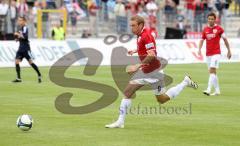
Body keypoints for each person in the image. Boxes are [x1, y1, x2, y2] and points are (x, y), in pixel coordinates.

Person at [105, 15, 198, 128]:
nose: (132, 28)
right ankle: (120, 122)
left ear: (141, 25)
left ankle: (185, 82)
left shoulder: (146, 35)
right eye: (131, 26)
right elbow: (146, 49)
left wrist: (137, 66)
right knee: (127, 92)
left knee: (162, 99)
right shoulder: (140, 35)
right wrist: (135, 51)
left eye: (133, 26)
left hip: (155, 72)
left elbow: (152, 54)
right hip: (145, 71)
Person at [198, 12, 231, 96]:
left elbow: (225, 39)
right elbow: (202, 40)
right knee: (212, 73)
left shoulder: (219, 29)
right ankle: (217, 91)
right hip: (208, 54)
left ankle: (208, 89)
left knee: (212, 70)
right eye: (209, 19)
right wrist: (199, 49)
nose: (210, 20)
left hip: (216, 53)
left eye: (212, 19)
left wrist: (229, 50)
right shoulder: (205, 29)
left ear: (215, 19)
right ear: (207, 19)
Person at [12, 16, 42, 83]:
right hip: (20, 48)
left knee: (31, 62)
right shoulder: (20, 28)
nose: (19, 21)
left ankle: (39, 74)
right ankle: (19, 78)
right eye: (19, 20)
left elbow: (25, 37)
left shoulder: (25, 28)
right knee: (16, 61)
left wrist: (18, 35)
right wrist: (17, 39)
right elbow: (21, 37)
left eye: (20, 20)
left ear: (24, 21)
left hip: (26, 48)